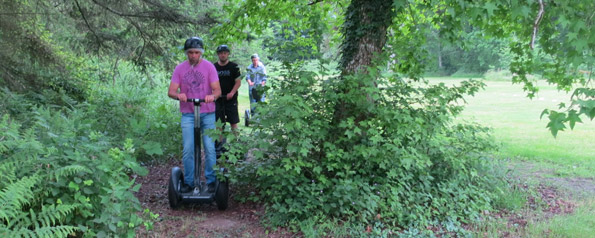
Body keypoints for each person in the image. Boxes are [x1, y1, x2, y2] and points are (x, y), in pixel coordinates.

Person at [168, 36, 221, 193]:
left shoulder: (209, 67)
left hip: (208, 113)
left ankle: (211, 181)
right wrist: (179, 95)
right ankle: (190, 182)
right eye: (190, 52)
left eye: (196, 52)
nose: (193, 56)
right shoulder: (180, 69)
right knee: (188, 148)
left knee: (210, 148)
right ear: (187, 53)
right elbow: (171, 91)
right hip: (188, 114)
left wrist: (213, 96)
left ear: (201, 53)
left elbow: (218, 90)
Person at [214, 45, 241, 133]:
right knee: (219, 123)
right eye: (221, 53)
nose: (223, 55)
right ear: (218, 54)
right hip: (218, 99)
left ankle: (235, 142)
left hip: (231, 98)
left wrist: (232, 93)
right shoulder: (213, 67)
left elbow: (238, 82)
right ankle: (220, 144)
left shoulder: (234, 66)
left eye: (225, 53)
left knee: (233, 122)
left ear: (228, 54)